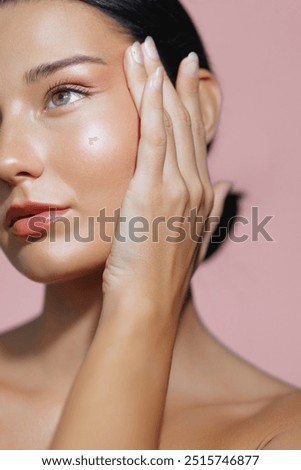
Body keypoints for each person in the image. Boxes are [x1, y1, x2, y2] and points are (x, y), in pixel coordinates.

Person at [0, 0, 300, 450]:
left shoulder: (279, 438)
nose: (8, 159)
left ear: (194, 108)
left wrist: (140, 306)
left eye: (63, 94)